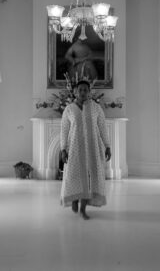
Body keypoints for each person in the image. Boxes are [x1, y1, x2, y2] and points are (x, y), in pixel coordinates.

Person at [60, 80, 111, 220]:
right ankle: (74, 200)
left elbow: (102, 127)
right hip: (74, 149)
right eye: (80, 90)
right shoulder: (69, 109)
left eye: (85, 90)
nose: (82, 92)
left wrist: (107, 146)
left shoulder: (96, 108)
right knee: (74, 176)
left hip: (92, 150)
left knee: (88, 178)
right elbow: (64, 130)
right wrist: (63, 149)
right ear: (75, 92)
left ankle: (83, 209)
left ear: (89, 92)